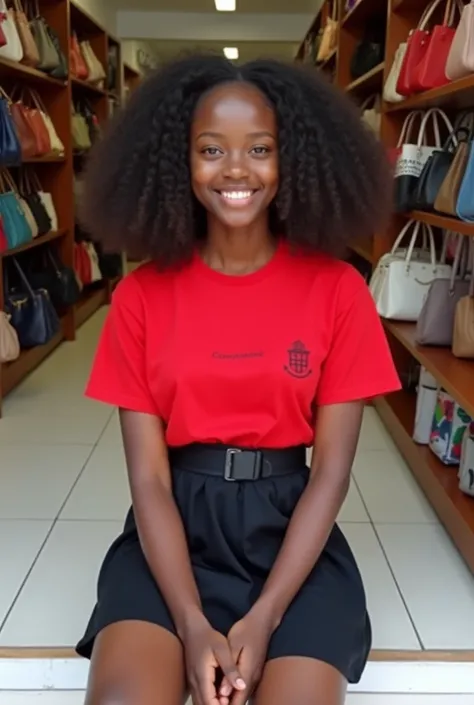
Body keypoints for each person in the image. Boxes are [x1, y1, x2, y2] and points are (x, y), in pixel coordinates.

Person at [77, 54, 401, 705]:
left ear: (296, 160)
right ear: (177, 160)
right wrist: (193, 623)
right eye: (210, 149)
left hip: (290, 538)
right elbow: (148, 479)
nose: (235, 169)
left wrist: (267, 612)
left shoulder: (340, 292)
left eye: (260, 148)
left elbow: (331, 473)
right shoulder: (139, 297)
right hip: (173, 533)